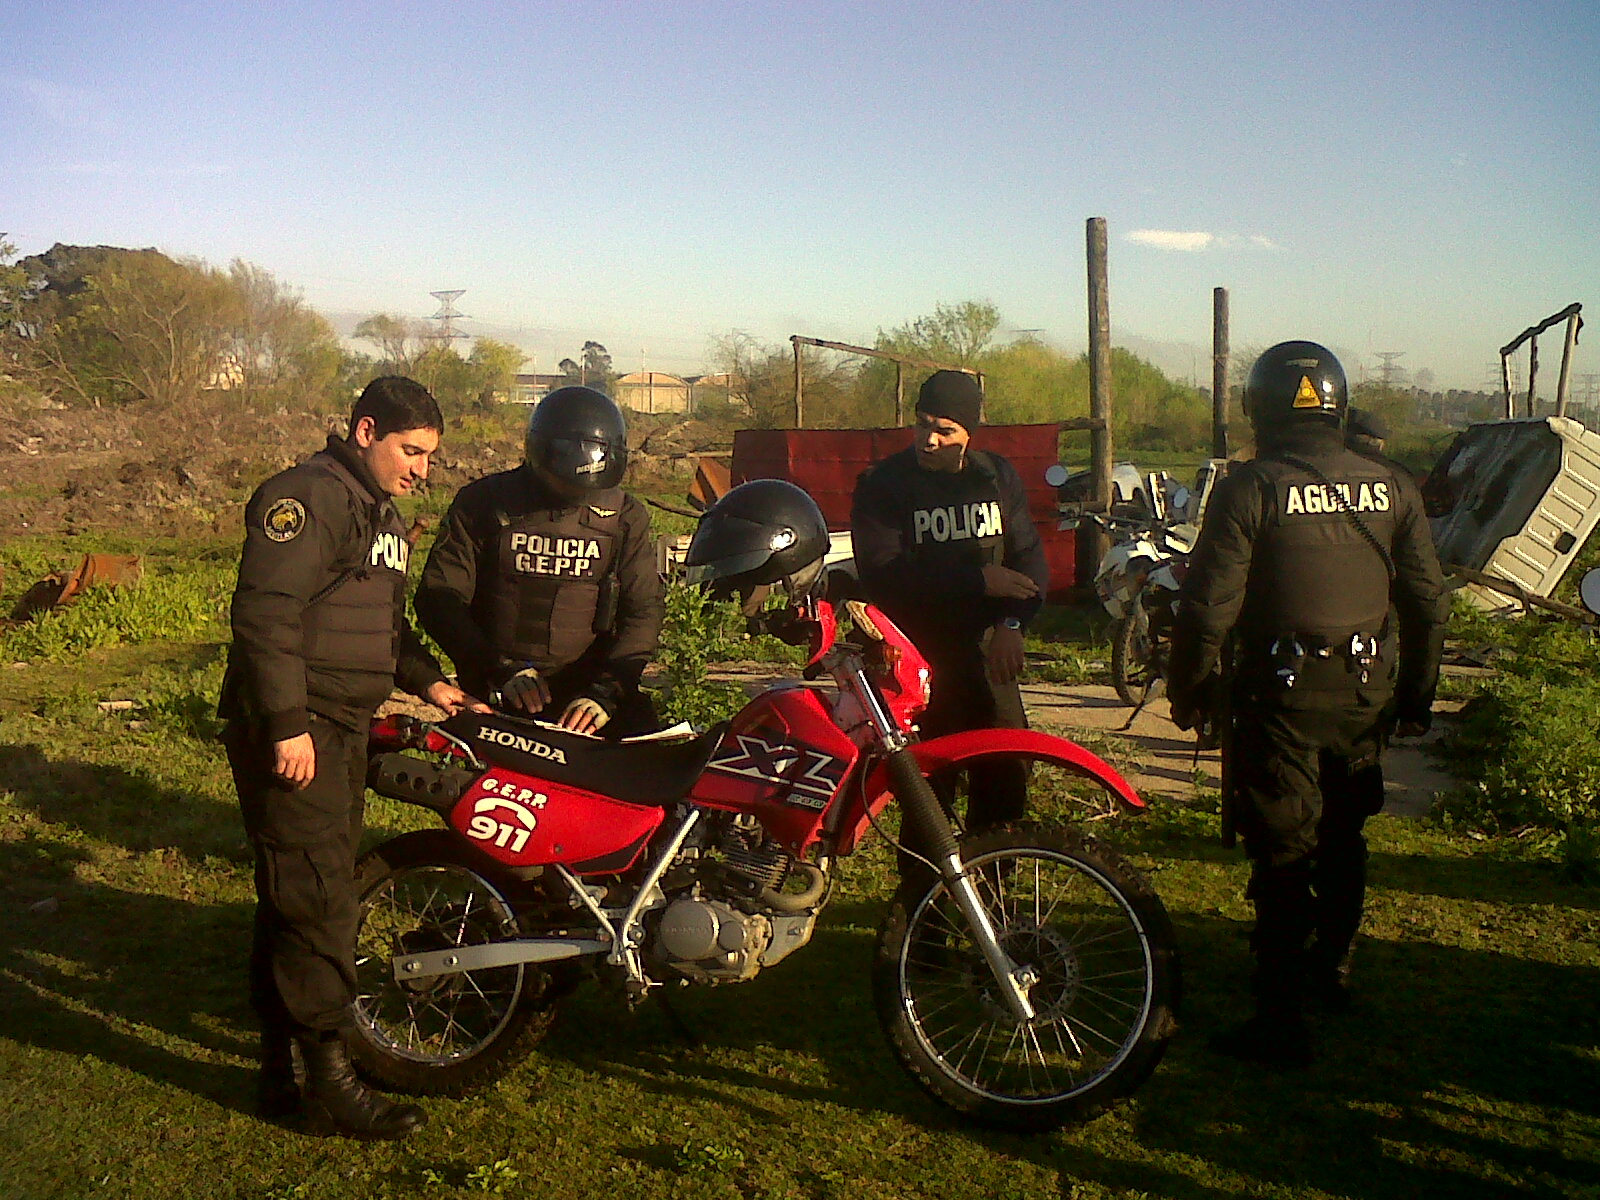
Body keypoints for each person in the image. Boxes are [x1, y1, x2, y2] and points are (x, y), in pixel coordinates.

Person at [1167, 341, 1447, 1068]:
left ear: (1258, 407)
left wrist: (1191, 688)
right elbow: (1426, 602)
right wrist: (1416, 695)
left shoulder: (1251, 488)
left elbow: (1207, 607)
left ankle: (1281, 1016)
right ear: (1339, 404)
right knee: (1345, 833)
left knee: (1286, 845)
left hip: (1280, 695)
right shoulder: (1394, 487)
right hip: (1364, 693)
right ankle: (1334, 965)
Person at [220, 376, 481, 1138]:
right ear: (366, 431)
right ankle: (328, 1080)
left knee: (292, 892)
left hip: (339, 727)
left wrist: (436, 685)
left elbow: (380, 630)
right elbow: (264, 614)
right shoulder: (305, 498)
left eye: (430, 457)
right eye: (412, 451)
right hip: (300, 732)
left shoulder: (377, 512)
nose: (421, 470)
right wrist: (285, 724)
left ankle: (278, 1070)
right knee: (317, 895)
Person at [850, 370, 1049, 884]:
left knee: (1005, 782)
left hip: (988, 656)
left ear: (969, 434)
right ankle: (925, 927)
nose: (929, 440)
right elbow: (885, 574)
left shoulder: (995, 477)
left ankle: (996, 908)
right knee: (929, 798)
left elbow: (1029, 562)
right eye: (922, 425)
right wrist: (979, 580)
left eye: (945, 430)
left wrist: (1011, 622)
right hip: (919, 662)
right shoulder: (884, 485)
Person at [416, 385, 664, 737]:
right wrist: (498, 668)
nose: (577, 499)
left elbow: (643, 611)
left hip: (587, 702)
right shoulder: (483, 503)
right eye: (566, 488)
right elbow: (439, 599)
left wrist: (607, 692)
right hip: (497, 693)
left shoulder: (624, 517)